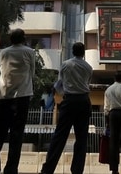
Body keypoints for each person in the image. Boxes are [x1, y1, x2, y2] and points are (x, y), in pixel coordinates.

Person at [0, 28, 36, 174]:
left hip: (3, 95)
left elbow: (2, 69)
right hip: (22, 96)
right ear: (24, 38)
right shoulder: (29, 52)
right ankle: (11, 169)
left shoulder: (4, 52)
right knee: (17, 135)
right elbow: (32, 72)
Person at [40, 42, 93, 174]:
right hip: (84, 101)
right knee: (81, 139)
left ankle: (48, 169)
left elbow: (58, 84)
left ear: (72, 51)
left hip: (69, 101)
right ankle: (77, 170)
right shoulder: (88, 67)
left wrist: (65, 94)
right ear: (83, 52)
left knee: (59, 136)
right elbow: (87, 83)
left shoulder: (65, 64)